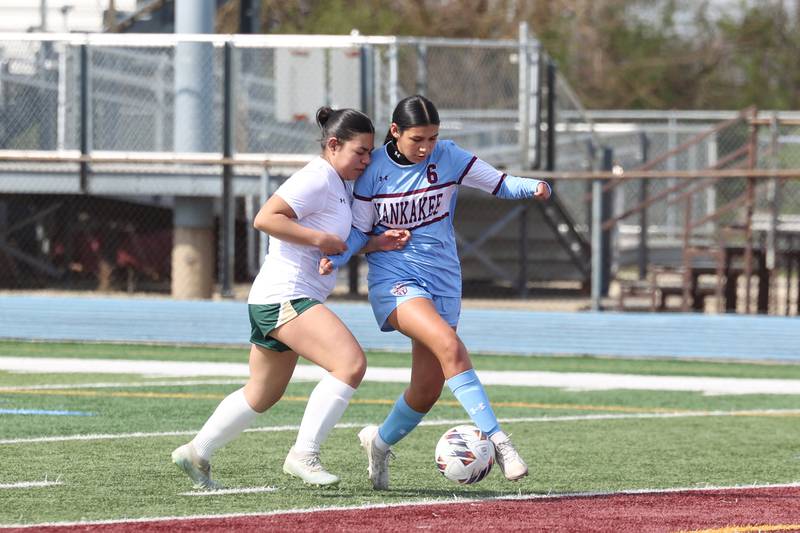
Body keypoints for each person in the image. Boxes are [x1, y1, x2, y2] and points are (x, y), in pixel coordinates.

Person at [171, 107, 410, 489]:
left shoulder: (340, 183)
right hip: (287, 295)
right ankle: (304, 454)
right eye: (360, 152)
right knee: (349, 364)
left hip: (274, 299)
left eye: (370, 152)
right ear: (333, 145)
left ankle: (197, 452)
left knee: (262, 392)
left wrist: (375, 243)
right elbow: (266, 218)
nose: (367, 160)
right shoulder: (317, 177)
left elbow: (336, 241)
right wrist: (319, 239)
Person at [322, 94, 551, 490]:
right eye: (417, 139)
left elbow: (500, 183)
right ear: (395, 132)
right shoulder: (372, 170)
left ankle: (378, 443)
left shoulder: (448, 156)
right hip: (395, 279)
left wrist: (535, 187)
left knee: (426, 390)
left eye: (433, 138)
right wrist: (338, 258)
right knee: (449, 343)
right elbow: (359, 231)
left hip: (444, 279)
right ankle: (500, 442)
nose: (426, 148)